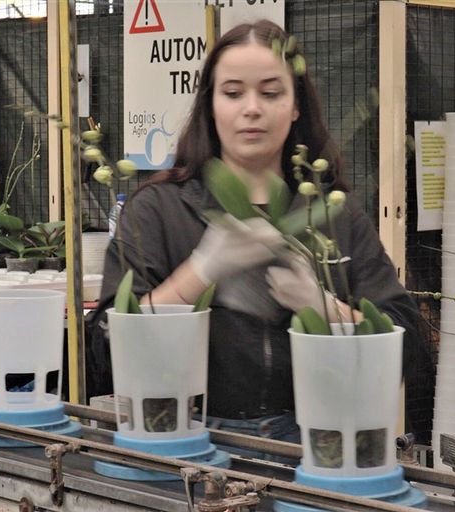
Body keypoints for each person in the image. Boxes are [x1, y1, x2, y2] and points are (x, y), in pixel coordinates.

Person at [88, 20, 426, 444]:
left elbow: (406, 344)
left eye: (271, 92)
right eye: (232, 93)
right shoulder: (158, 209)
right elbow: (103, 350)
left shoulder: (331, 212)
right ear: (210, 104)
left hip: (318, 442)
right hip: (185, 438)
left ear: (296, 105)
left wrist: (323, 307)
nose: (252, 108)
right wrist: (200, 272)